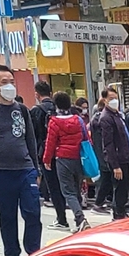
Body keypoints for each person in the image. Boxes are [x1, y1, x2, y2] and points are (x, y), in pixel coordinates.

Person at [0, 67, 43, 256]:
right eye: (4, 82)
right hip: (1, 171)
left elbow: (30, 140)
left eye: (11, 80)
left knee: (32, 212)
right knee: (8, 216)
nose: (9, 85)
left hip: (26, 169)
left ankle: (34, 253)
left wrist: (36, 169)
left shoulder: (22, 109)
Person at [44, 91, 88, 228]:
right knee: (76, 189)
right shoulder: (78, 119)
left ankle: (80, 218)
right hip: (78, 157)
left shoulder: (54, 121)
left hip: (63, 159)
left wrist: (46, 159)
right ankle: (78, 220)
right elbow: (86, 138)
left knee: (68, 192)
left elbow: (50, 143)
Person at [90, 88, 129, 214]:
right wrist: (115, 165)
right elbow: (108, 144)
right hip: (117, 159)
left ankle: (120, 213)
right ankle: (118, 215)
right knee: (119, 189)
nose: (115, 101)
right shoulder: (106, 118)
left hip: (124, 156)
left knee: (123, 188)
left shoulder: (116, 115)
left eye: (116, 98)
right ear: (105, 100)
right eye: (111, 98)